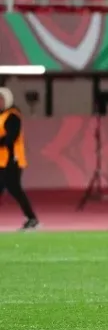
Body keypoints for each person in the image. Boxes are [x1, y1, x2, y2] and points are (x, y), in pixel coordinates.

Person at [0, 87, 39, 230]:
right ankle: (32, 218)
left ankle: (32, 218)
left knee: (14, 188)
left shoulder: (13, 116)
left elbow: (11, 138)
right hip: (2, 160)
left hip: (12, 160)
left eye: (1, 99)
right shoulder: (2, 116)